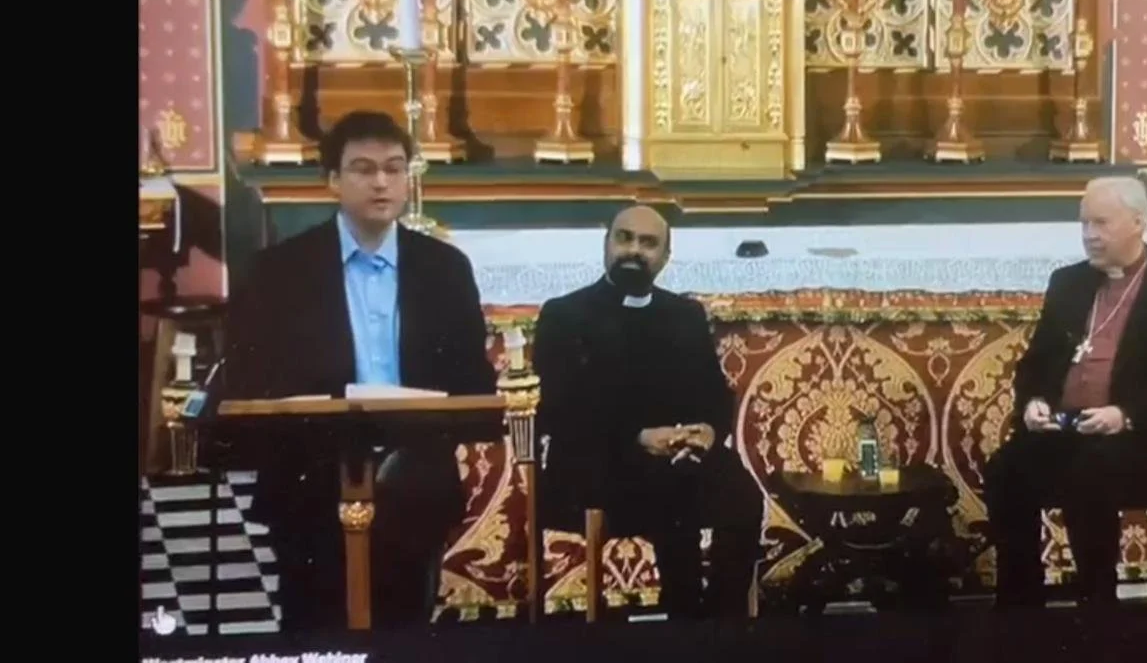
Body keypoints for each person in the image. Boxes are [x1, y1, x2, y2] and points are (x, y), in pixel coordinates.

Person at [220, 111, 497, 630]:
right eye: (363, 169)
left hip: (413, 474)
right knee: (314, 626)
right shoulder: (278, 271)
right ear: (332, 180)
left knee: (406, 630)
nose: (381, 182)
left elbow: (471, 380)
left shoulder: (445, 268)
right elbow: (251, 379)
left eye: (394, 168)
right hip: (310, 473)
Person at [983, 176, 1147, 608]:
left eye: (1101, 223)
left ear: (1138, 222)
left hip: (1144, 440)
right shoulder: (1067, 283)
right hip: (1066, 431)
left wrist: (1123, 414)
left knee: (1089, 472)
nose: (1090, 235)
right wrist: (1033, 403)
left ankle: (1098, 605)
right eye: (1084, 223)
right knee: (1006, 470)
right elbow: (1035, 364)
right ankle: (1021, 605)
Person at [532, 205, 764, 620]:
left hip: (679, 457)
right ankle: (685, 623)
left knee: (742, 497)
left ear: (665, 257)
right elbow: (560, 410)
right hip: (595, 462)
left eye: (648, 243)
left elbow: (714, 393)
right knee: (672, 493)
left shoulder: (684, 315)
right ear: (606, 244)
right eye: (624, 238)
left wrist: (708, 432)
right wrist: (639, 438)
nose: (634, 251)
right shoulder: (564, 314)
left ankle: (723, 625)